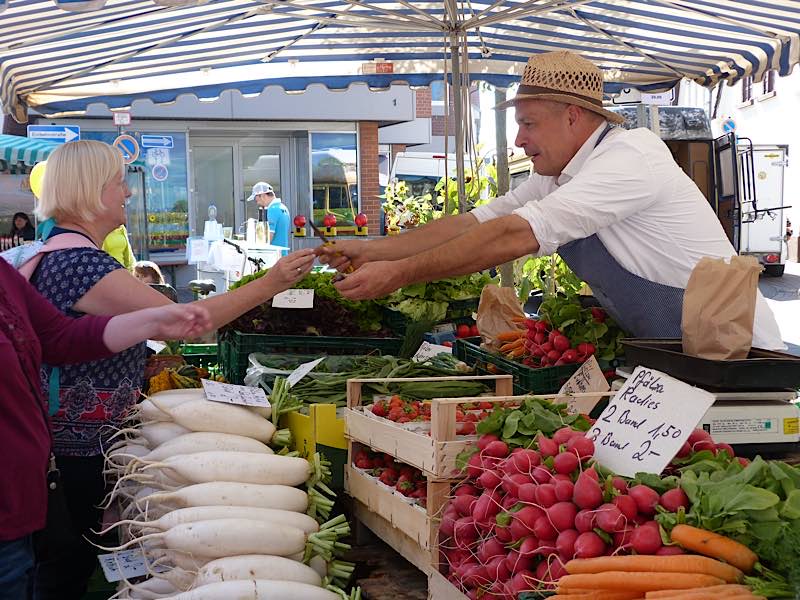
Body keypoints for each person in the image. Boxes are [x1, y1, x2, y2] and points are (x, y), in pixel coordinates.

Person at [316, 51, 784, 350]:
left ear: (574, 118)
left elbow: (514, 234)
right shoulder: (559, 175)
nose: (519, 139)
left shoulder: (629, 159)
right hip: (672, 348)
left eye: (530, 124)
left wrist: (397, 274)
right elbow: (473, 224)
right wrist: (371, 248)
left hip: (736, 354)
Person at [29, 140, 315, 599]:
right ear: (91, 191)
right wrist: (272, 282)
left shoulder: (61, 253)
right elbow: (188, 321)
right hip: (79, 451)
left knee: (68, 563)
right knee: (67, 569)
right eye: (118, 183)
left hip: (81, 442)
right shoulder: (80, 263)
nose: (127, 193)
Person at [0, 256, 212, 600]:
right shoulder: (69, 262)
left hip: (21, 508)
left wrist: (152, 319)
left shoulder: (4, 276)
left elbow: (59, 336)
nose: (128, 196)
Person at [247, 181, 291, 255]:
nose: (257, 203)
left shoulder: (272, 210)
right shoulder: (283, 208)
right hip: (283, 254)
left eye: (256, 199)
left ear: (263, 195)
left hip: (273, 257)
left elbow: (267, 238)